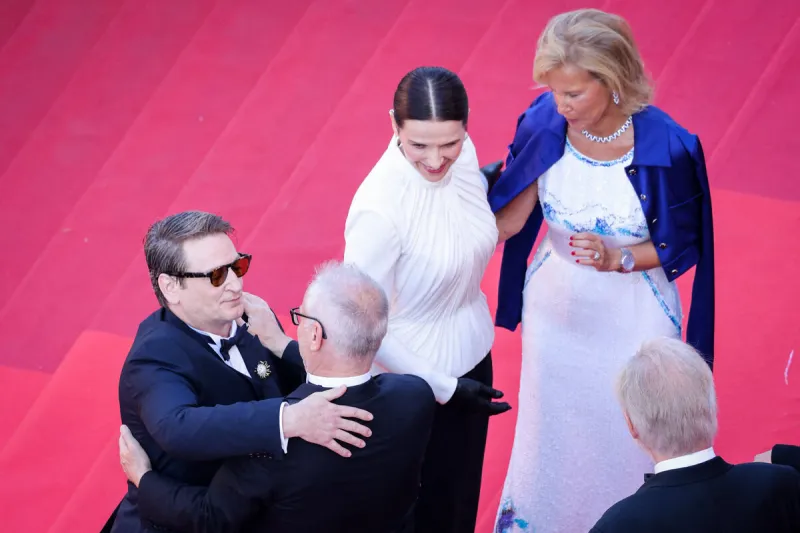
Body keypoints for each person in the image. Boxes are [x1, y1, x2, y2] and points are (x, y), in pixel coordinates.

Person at [489, 9, 715, 532]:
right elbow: (510, 213)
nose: (561, 106)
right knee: (553, 426)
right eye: (554, 92)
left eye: (573, 94)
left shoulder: (669, 147)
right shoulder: (544, 122)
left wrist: (621, 258)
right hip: (555, 310)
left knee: (627, 427)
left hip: (634, 312)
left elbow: (685, 240)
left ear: (612, 81)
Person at [117, 261, 436, 533]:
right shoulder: (415, 397)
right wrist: (280, 343)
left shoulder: (268, 450)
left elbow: (209, 518)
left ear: (314, 335)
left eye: (302, 317)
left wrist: (144, 480)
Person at [111, 211, 373, 533]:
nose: (235, 284)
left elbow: (309, 385)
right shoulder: (154, 356)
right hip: (185, 520)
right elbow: (178, 428)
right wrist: (287, 419)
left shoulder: (252, 321)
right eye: (217, 275)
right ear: (171, 287)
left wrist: (279, 343)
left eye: (238, 266)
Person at [343, 66, 511, 533]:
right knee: (422, 516)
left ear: (466, 126)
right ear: (393, 126)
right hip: (410, 385)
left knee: (459, 504)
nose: (437, 160)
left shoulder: (466, 156)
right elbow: (361, 328)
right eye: (418, 145)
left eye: (449, 143)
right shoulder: (379, 209)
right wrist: (443, 387)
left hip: (474, 360)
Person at [590, 337, 800, 532]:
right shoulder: (779, 486)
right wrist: (783, 457)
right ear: (711, 407)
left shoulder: (617, 525)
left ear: (632, 425)